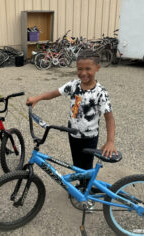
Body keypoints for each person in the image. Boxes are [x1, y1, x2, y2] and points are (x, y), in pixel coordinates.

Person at [26, 49, 118, 189]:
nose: (83, 72)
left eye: (88, 68)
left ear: (97, 68)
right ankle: (81, 187)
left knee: (86, 167)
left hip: (89, 137)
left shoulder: (101, 93)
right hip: (73, 134)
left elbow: (109, 118)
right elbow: (53, 93)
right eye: (79, 69)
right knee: (76, 164)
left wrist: (110, 141)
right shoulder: (73, 85)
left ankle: (85, 193)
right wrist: (36, 99)